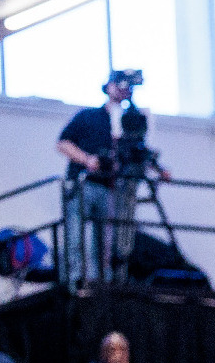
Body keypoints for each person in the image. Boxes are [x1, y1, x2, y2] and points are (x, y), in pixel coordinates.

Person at [56, 72, 167, 284]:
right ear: (108, 86)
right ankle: (75, 281)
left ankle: (102, 283)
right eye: (119, 85)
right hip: (83, 183)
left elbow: (137, 151)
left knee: (106, 243)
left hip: (110, 188)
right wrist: (88, 159)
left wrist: (158, 170)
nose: (123, 90)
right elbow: (63, 143)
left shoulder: (128, 121)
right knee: (77, 237)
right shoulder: (88, 117)